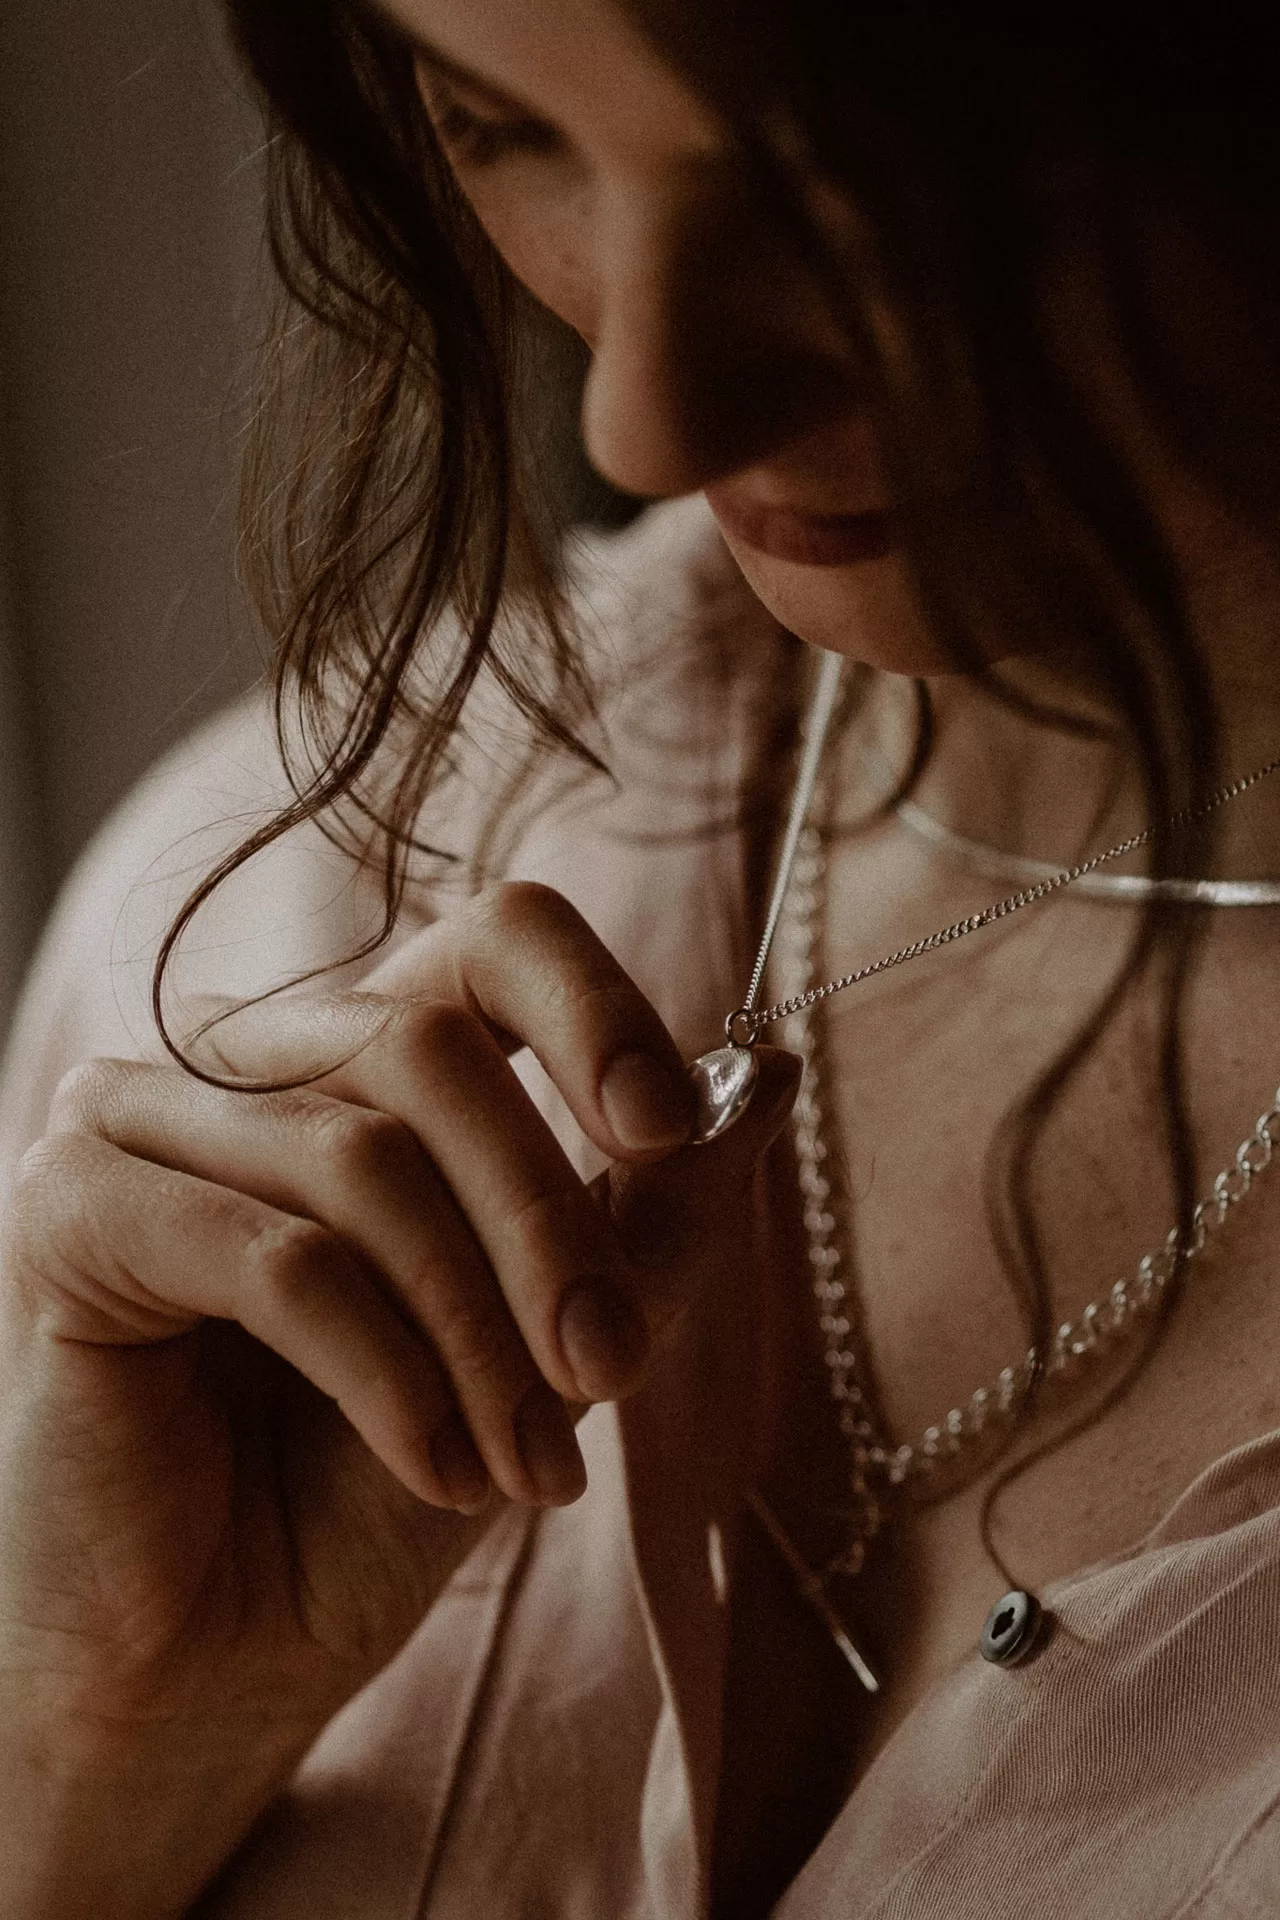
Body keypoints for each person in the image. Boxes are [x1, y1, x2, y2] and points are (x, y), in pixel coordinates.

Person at [2, 2, 1280, 1915]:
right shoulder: (286, 909)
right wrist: (90, 1767)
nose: (646, 419)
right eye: (503, 125)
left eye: (886, 198)